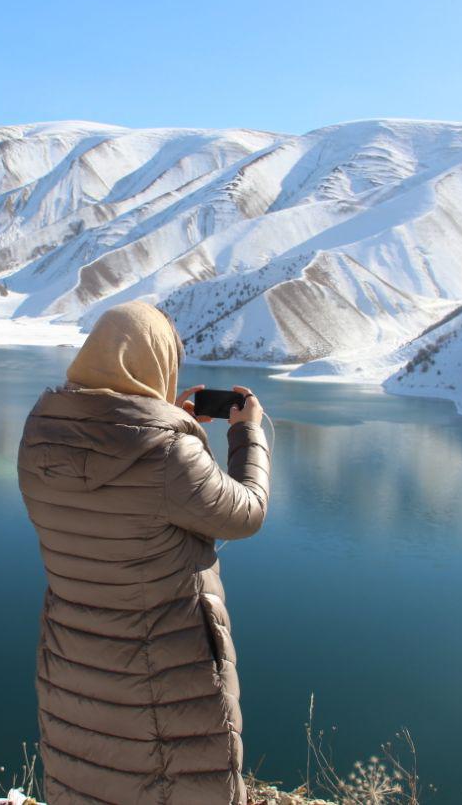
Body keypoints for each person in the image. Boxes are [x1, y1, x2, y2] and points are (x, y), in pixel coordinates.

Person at [17, 301, 271, 804]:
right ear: (154, 363)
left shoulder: (37, 437)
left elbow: (115, 475)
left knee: (92, 778)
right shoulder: (166, 453)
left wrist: (161, 420)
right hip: (169, 672)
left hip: (75, 662)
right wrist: (246, 433)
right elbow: (246, 514)